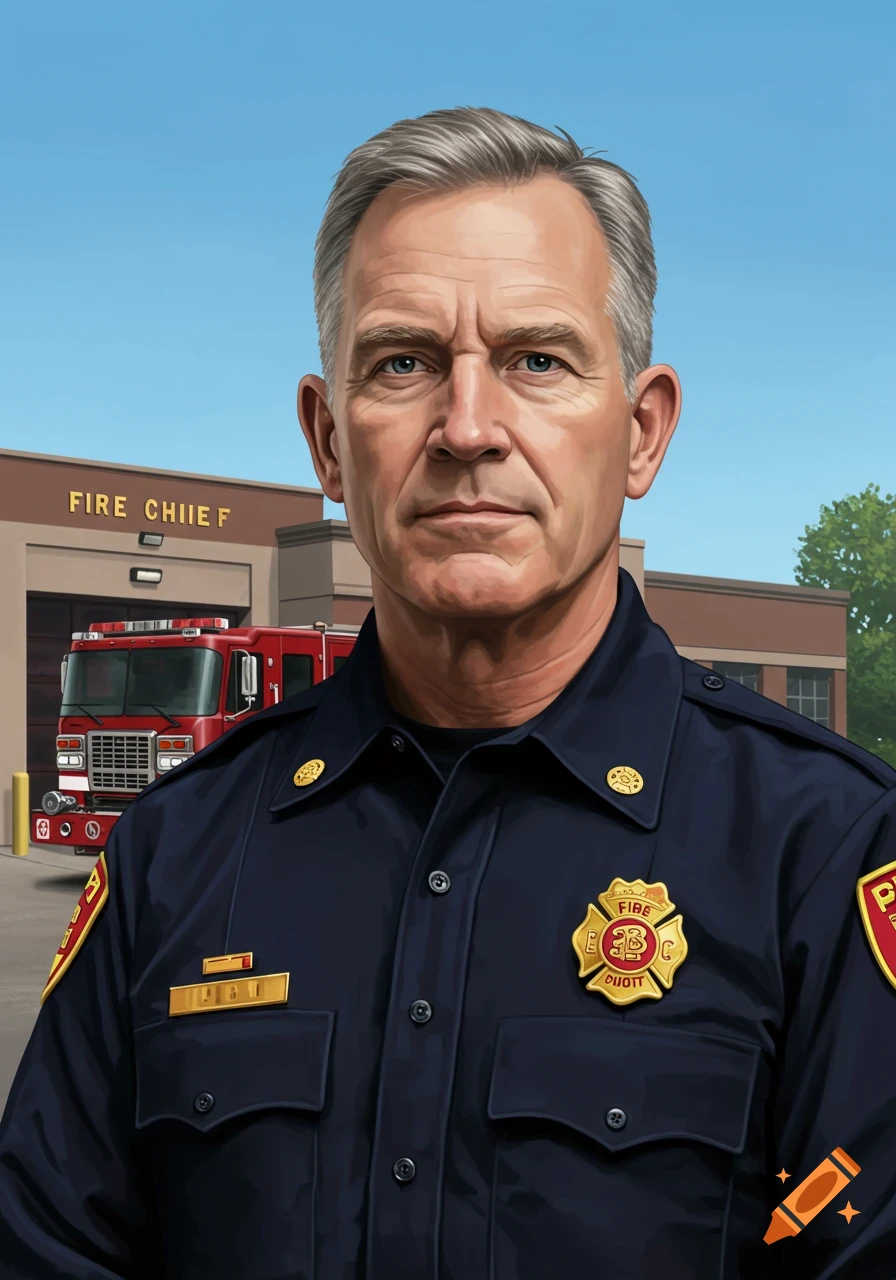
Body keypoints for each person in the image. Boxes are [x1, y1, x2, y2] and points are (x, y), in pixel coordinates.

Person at [1, 106, 895, 1280]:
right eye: (403, 362)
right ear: (328, 440)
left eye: (535, 358)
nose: (466, 428)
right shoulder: (173, 853)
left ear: (639, 432)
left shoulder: (824, 849)